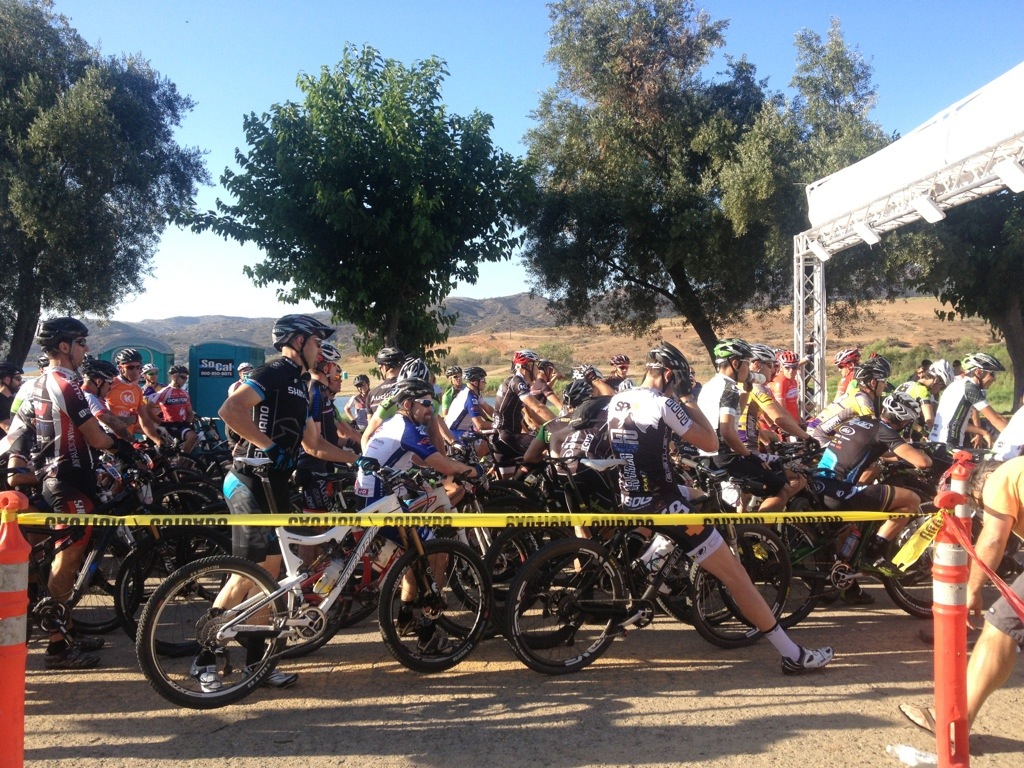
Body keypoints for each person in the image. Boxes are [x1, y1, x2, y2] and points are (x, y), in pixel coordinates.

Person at [608, 340, 833, 674]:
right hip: (663, 502)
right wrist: (686, 399)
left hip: (631, 496)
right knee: (736, 576)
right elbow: (711, 441)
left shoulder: (618, 398)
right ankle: (792, 654)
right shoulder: (663, 403)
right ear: (670, 375)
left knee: (699, 496)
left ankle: (651, 562)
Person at [212, 314, 358, 692]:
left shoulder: (302, 386)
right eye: (315, 342)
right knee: (251, 573)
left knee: (270, 578)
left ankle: (257, 664)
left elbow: (314, 445)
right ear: (297, 341)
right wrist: (268, 446)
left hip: (273, 484)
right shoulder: (275, 371)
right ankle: (207, 655)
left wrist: (356, 459)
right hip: (248, 479)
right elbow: (230, 410)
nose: (319, 350)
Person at [10, 318, 140, 669]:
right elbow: (96, 437)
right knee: (67, 561)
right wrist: (126, 451)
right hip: (66, 480)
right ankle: (57, 647)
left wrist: (17, 469)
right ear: (64, 346)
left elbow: (16, 433)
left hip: (63, 478)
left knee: (67, 558)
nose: (86, 348)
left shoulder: (36, 384)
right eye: (81, 342)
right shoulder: (64, 383)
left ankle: (66, 629)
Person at [900, 457, 1024, 735]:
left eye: (979, 505)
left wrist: (972, 590)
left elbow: (993, 539)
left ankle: (954, 723)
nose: (984, 511)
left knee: (1000, 626)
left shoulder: (998, 479)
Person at [812, 392, 933, 590]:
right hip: (841, 490)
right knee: (911, 500)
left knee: (851, 529)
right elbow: (923, 462)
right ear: (904, 421)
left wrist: (899, 456)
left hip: (821, 484)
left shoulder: (861, 421)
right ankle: (874, 553)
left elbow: (874, 449)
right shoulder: (884, 431)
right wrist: (923, 455)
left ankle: (847, 586)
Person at [697, 339, 803, 513]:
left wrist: (747, 389)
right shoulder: (729, 389)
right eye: (747, 363)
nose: (749, 368)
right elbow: (727, 431)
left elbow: (735, 417)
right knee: (782, 489)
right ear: (736, 363)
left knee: (738, 506)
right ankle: (759, 529)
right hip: (726, 456)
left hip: (708, 455)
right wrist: (750, 456)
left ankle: (746, 524)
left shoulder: (709, 386)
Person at [492, 350, 557, 471]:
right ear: (528, 366)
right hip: (507, 437)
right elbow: (538, 408)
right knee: (546, 447)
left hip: (502, 436)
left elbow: (531, 414)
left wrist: (545, 426)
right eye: (535, 365)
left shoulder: (515, 382)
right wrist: (560, 423)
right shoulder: (517, 382)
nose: (538, 370)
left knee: (508, 481)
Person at [930, 352, 1009, 449]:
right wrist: (1018, 438)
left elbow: (955, 421)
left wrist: (982, 432)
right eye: (992, 374)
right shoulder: (970, 388)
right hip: (949, 445)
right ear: (979, 372)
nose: (994, 379)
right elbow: (996, 419)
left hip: (937, 442)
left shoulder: (955, 385)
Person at [807, 357, 890, 446]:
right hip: (819, 435)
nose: (885, 385)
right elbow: (875, 429)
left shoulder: (857, 391)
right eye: (884, 381)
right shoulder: (862, 400)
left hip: (821, 430)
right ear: (873, 383)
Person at [105, 348, 169, 446]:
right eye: (130, 367)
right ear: (120, 368)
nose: (135, 371)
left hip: (127, 439)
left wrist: (158, 442)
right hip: (108, 439)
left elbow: (145, 420)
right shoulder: (110, 385)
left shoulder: (137, 389)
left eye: (138, 367)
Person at [152, 365, 198, 454]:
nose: (185, 380)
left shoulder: (185, 393)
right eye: (183, 377)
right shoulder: (164, 391)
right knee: (192, 437)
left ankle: (181, 459)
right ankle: (180, 460)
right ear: (174, 376)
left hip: (181, 425)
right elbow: (147, 408)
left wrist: (187, 424)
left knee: (195, 439)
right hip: (169, 426)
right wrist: (159, 422)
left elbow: (190, 413)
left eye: (186, 378)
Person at [366, 346, 404, 414]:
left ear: (384, 367)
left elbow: (370, 419)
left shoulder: (372, 394)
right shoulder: (408, 388)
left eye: (380, 367)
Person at [769, 350, 802, 426]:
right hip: (785, 423)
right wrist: (795, 424)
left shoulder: (793, 380)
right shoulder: (780, 383)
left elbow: (794, 403)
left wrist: (799, 420)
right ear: (781, 367)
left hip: (793, 420)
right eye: (787, 367)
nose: (791, 371)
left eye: (794, 367)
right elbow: (781, 409)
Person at [0, 362, 24, 437]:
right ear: (7, 380)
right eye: (18, 379)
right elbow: (8, 429)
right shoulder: (1, 402)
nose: (21, 382)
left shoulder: (13, 400)